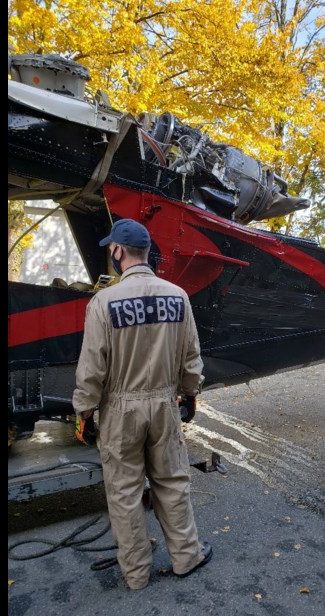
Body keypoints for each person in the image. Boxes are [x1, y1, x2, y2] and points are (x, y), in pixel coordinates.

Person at [73, 218, 211, 590]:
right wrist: (190, 392)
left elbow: (92, 367)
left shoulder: (103, 301)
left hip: (120, 409)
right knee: (172, 482)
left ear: (118, 251)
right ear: (147, 252)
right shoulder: (178, 296)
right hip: (165, 404)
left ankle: (136, 574)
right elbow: (191, 357)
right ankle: (187, 557)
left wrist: (84, 412)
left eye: (111, 250)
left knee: (124, 492)